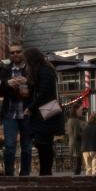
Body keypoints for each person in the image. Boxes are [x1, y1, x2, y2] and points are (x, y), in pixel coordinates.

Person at [23, 47, 63, 176]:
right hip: (45, 110)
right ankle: (45, 171)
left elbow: (44, 93)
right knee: (43, 143)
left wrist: (31, 107)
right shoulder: (44, 69)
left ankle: (46, 171)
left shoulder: (44, 70)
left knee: (44, 142)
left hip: (46, 110)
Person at [0, 42, 33, 176]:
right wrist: (9, 84)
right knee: (9, 146)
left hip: (27, 113)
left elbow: (37, 87)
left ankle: (25, 175)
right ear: (9, 55)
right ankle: (9, 175)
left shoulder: (30, 69)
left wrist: (27, 84)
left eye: (18, 51)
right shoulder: (5, 70)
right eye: (12, 52)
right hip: (10, 114)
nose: (15, 54)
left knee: (27, 148)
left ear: (23, 52)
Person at [67, 105, 86, 175]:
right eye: (80, 110)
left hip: (71, 143)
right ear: (76, 111)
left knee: (75, 164)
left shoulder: (69, 120)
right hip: (77, 145)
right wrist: (85, 133)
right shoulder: (76, 120)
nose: (82, 112)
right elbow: (77, 135)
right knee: (78, 165)